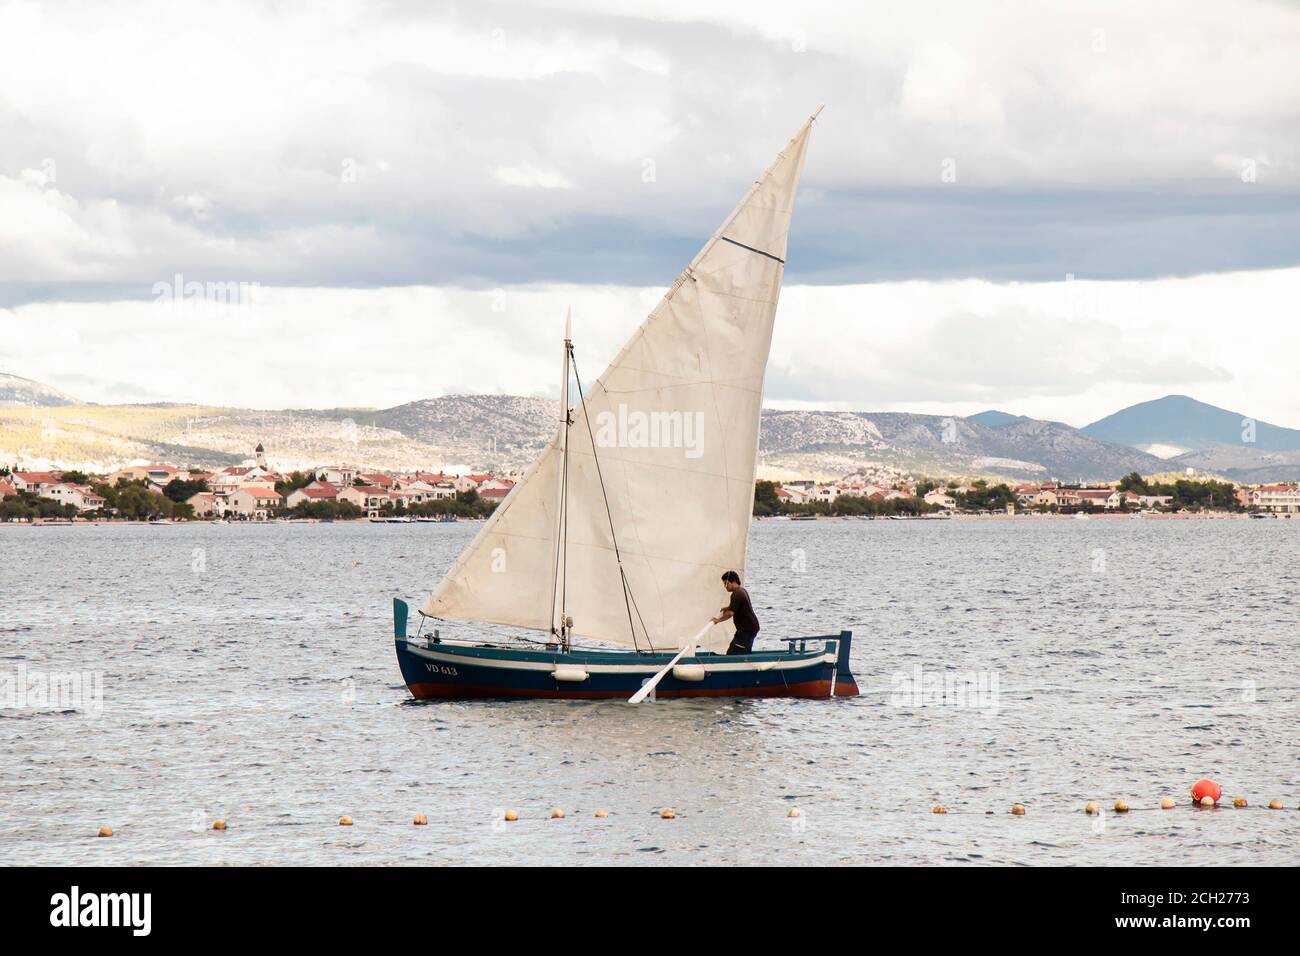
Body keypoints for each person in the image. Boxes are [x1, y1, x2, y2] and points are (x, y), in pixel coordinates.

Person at [711, 570, 760, 655]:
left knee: (733, 652)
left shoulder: (736, 594)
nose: (725, 586)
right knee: (744, 651)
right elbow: (737, 606)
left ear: (733, 582)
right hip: (751, 628)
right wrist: (728, 607)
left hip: (746, 630)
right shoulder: (742, 590)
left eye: (726, 583)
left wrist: (717, 620)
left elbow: (730, 613)